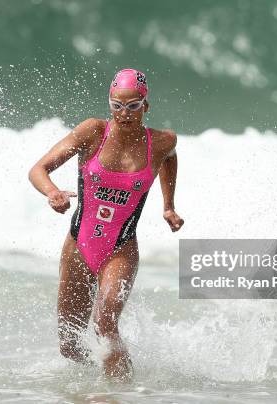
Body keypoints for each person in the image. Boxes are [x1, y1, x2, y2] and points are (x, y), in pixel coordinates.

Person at [28, 68, 184, 380]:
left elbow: (170, 158)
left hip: (121, 249)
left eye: (133, 106)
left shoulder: (162, 142)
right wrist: (53, 193)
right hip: (78, 246)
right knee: (70, 345)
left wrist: (168, 205)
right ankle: (96, 386)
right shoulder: (93, 132)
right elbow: (39, 169)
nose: (124, 114)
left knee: (105, 321)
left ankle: (122, 394)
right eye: (117, 105)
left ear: (145, 106)